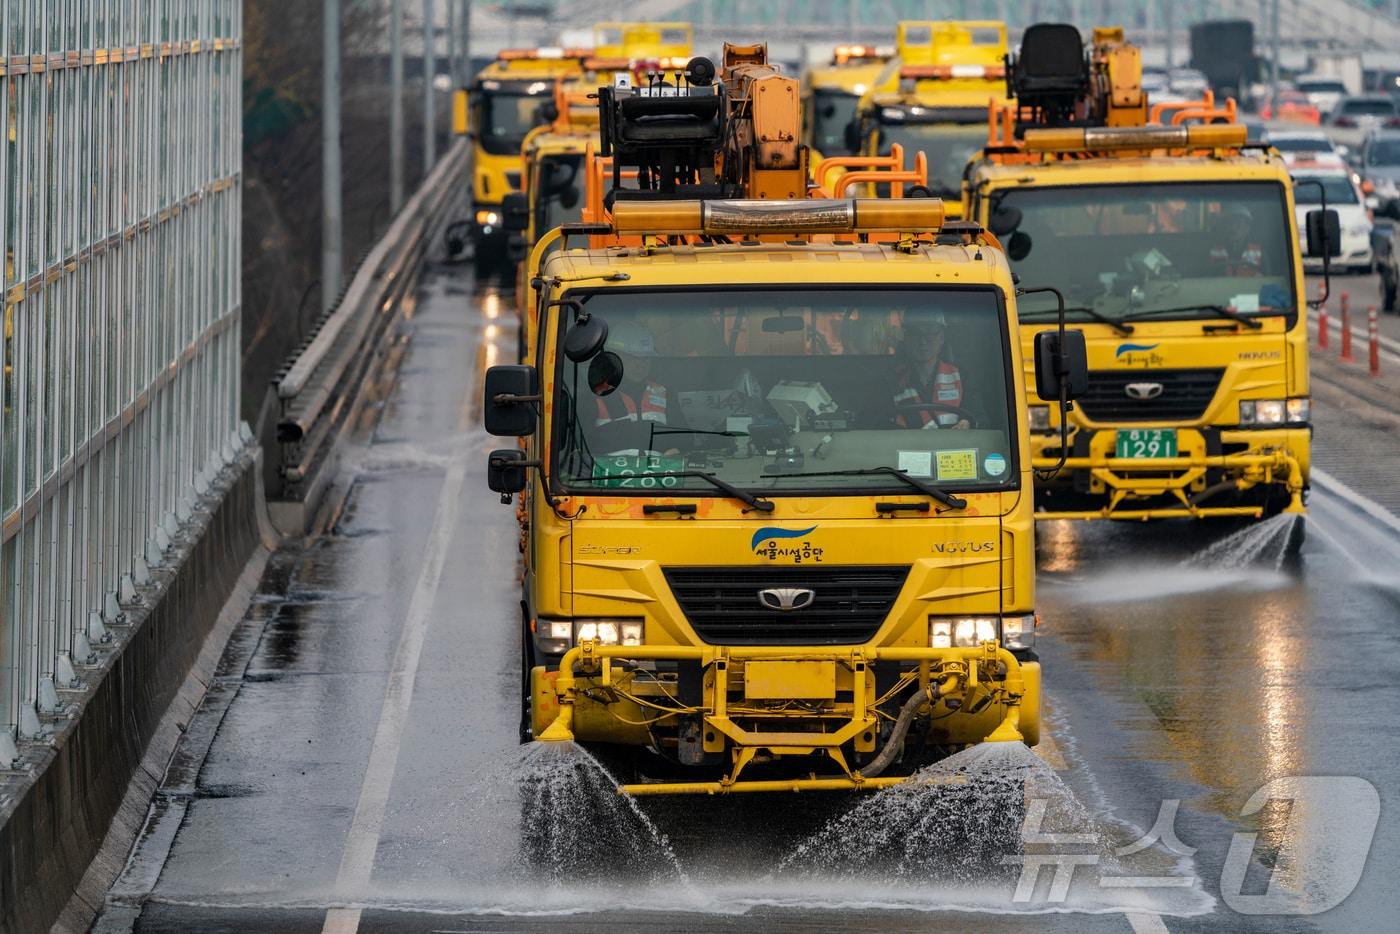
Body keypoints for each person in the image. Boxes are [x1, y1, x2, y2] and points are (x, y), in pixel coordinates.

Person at [590, 319, 688, 454]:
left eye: (645, 358)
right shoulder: (594, 397)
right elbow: (581, 450)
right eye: (631, 357)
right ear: (613, 358)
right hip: (610, 474)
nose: (639, 365)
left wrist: (677, 449)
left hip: (659, 473)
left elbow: (685, 439)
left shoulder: (664, 393)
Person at [891, 311, 970, 429]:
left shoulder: (961, 376)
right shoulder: (889, 381)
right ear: (906, 339)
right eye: (915, 333)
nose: (923, 341)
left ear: (941, 338)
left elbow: (980, 418)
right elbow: (870, 425)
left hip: (953, 446)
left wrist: (967, 423)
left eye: (930, 333)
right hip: (904, 446)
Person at [1208, 205, 1263, 276]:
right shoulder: (1213, 252)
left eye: (1239, 223)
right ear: (1225, 227)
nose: (1233, 228)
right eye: (1230, 223)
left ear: (1247, 228)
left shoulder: (1260, 254)